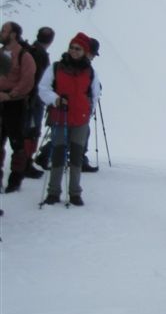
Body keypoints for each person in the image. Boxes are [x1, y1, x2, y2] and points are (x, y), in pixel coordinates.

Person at [37, 32, 97, 206]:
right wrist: (55, 99)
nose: (74, 51)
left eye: (78, 49)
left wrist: (88, 111)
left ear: (84, 51)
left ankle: (75, 192)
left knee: (77, 157)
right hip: (60, 116)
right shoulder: (57, 67)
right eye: (72, 47)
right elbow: (43, 88)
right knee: (58, 154)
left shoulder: (90, 72)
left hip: (80, 119)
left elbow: (94, 94)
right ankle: (53, 192)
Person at [0, 21, 37, 193]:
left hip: (15, 103)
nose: (1, 33)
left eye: (4, 31)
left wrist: (11, 94)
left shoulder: (24, 56)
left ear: (13, 34)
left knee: (17, 142)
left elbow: (27, 80)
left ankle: (15, 180)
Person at [21, 26, 54, 180]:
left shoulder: (29, 50)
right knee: (32, 132)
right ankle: (25, 164)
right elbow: (40, 80)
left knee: (26, 130)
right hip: (34, 99)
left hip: (25, 98)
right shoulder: (40, 55)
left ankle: (23, 162)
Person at [79, 37, 103, 173]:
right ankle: (80, 159)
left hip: (78, 106)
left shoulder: (78, 65)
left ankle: (46, 154)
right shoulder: (85, 68)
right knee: (82, 132)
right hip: (81, 106)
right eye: (93, 54)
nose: (93, 57)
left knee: (67, 132)